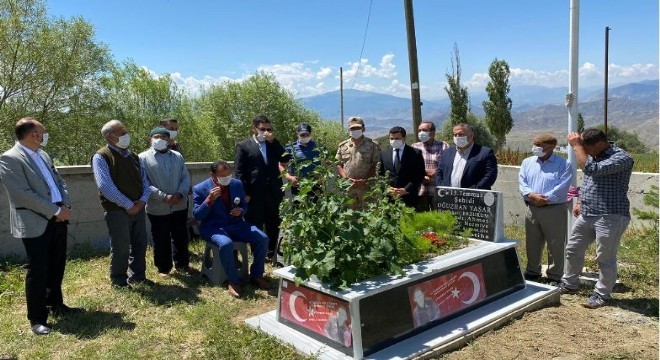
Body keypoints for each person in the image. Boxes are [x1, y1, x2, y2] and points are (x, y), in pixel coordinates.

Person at [0, 118, 80, 335]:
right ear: (33, 135)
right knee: (38, 269)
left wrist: (65, 204)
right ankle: (37, 319)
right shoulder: (9, 158)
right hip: (35, 221)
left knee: (57, 264)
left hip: (58, 217)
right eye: (42, 132)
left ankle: (57, 305)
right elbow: (22, 194)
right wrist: (54, 210)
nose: (45, 135)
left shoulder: (44, 155)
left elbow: (59, 181)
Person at [559, 128, 634, 309]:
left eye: (587, 148)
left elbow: (591, 170)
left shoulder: (621, 158)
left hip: (611, 215)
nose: (585, 152)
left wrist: (577, 146)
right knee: (573, 248)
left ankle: (602, 294)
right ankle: (569, 284)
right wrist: (580, 201)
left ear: (600, 144)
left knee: (605, 257)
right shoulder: (594, 154)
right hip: (588, 213)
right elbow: (588, 181)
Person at [192, 160, 271, 298]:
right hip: (213, 227)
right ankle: (233, 281)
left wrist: (241, 210)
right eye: (223, 176)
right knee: (226, 243)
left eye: (228, 174)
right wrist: (209, 200)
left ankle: (256, 275)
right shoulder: (200, 189)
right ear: (213, 176)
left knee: (262, 238)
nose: (227, 178)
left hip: (236, 224)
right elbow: (198, 215)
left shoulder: (236, 184)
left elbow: (243, 205)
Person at [91, 120, 153, 288]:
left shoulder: (133, 157)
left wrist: (141, 201)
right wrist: (128, 205)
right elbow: (105, 186)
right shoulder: (101, 156)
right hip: (117, 211)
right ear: (110, 136)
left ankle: (138, 276)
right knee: (121, 247)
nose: (126, 135)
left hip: (138, 208)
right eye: (122, 131)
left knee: (140, 244)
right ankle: (118, 280)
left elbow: (145, 182)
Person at [518, 134, 572, 284]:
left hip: (554, 209)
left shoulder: (564, 164)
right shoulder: (527, 162)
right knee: (532, 242)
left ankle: (555, 275)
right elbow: (522, 182)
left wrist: (544, 199)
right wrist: (531, 195)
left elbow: (562, 187)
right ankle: (532, 272)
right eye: (534, 144)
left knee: (555, 243)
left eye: (539, 145)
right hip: (532, 208)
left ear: (551, 147)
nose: (535, 147)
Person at [139, 127, 192, 276]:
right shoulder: (142, 158)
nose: (160, 140)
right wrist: (163, 196)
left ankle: (182, 264)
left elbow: (185, 177)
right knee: (160, 237)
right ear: (150, 139)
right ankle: (163, 267)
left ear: (169, 140)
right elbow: (144, 183)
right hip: (158, 206)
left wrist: (180, 194)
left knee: (180, 235)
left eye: (164, 137)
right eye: (156, 136)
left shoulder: (177, 156)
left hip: (179, 204)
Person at [234, 115, 286, 260]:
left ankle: (271, 253)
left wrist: (273, 141)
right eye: (262, 129)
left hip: (273, 192)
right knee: (255, 224)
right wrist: (244, 193)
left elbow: (285, 158)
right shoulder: (244, 146)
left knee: (274, 224)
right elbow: (239, 173)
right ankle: (257, 252)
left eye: (268, 129)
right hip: (254, 194)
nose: (266, 132)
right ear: (254, 128)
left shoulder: (272, 144)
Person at [435, 123, 498, 190]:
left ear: (471, 135)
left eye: (461, 134)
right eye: (455, 135)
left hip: (473, 197)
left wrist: (472, 190)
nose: (457, 137)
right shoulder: (446, 153)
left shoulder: (485, 153)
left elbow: (490, 175)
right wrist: (443, 188)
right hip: (449, 196)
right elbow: (439, 173)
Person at [336, 116, 380, 209]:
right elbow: (338, 164)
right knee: (349, 215)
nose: (355, 130)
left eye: (358, 128)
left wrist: (366, 179)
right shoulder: (343, 146)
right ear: (349, 130)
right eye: (352, 128)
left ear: (363, 129)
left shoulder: (372, 145)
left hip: (367, 186)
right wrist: (346, 179)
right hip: (349, 187)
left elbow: (376, 164)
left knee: (370, 214)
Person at [378, 126, 425, 208]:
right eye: (391, 139)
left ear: (404, 138)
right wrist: (387, 188)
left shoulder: (415, 153)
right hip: (389, 198)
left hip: (408, 197)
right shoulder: (383, 154)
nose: (394, 141)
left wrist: (406, 189)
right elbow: (379, 175)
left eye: (397, 138)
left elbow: (419, 175)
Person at [411, 121, 449, 211]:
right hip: (420, 191)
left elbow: (448, 166)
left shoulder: (443, 146)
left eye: (424, 130)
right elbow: (410, 168)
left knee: (439, 219)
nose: (421, 133)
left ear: (433, 132)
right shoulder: (414, 147)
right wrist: (421, 176)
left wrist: (436, 173)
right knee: (422, 220)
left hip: (438, 191)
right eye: (419, 130)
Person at [280, 123, 322, 201]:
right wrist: (289, 177)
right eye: (302, 135)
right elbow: (281, 165)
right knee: (299, 210)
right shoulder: (290, 147)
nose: (305, 136)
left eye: (307, 134)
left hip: (316, 183)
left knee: (317, 210)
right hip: (297, 184)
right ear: (297, 134)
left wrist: (324, 176)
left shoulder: (318, 146)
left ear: (310, 134)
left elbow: (327, 162)